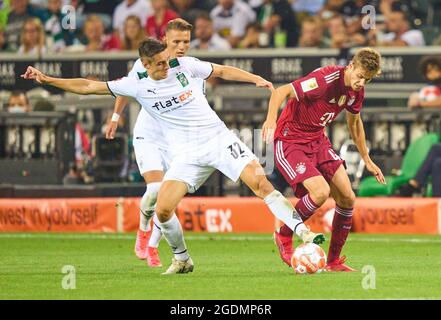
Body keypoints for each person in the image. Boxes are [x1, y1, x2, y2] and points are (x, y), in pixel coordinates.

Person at [22, 38, 325, 275]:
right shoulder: (134, 83)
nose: (166, 66)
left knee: (260, 184)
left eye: (166, 60)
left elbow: (220, 70)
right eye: (158, 64)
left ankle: (303, 232)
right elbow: (88, 86)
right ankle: (182, 260)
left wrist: (254, 78)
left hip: (218, 139)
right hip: (187, 153)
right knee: (164, 210)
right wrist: (47, 80)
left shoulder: (184, 64)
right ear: (144, 63)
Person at [261, 47, 386, 272]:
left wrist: (366, 158)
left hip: (318, 141)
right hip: (291, 140)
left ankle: (333, 262)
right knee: (320, 192)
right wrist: (270, 120)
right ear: (351, 66)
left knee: (347, 197)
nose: (362, 83)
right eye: (359, 76)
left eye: (367, 80)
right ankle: (284, 234)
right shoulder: (325, 79)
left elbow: (355, 123)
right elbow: (281, 92)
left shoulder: (357, 91)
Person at [106, 18, 193, 267]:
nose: (181, 46)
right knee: (155, 190)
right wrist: (115, 117)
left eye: (185, 42)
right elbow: (125, 88)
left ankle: (153, 246)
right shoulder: (145, 63)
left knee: (167, 199)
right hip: (149, 134)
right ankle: (143, 229)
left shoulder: (190, 68)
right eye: (176, 41)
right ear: (165, 39)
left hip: (176, 138)